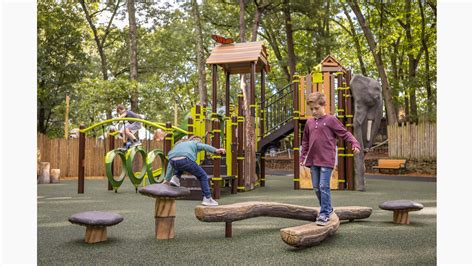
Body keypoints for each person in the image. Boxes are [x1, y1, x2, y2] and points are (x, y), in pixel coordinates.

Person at [300, 92, 361, 226]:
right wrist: (303, 156)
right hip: (313, 160)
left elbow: (345, 133)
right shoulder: (309, 122)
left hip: (327, 159)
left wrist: (355, 143)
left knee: (323, 186)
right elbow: (305, 141)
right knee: (316, 187)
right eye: (311, 109)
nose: (314, 112)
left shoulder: (331, 120)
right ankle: (328, 208)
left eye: (316, 108)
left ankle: (325, 213)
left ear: (323, 106)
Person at [162, 135, 225, 206]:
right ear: (197, 140)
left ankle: (175, 178)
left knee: (180, 166)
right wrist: (216, 150)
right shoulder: (195, 143)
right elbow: (205, 147)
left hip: (172, 159)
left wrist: (167, 179)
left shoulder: (180, 144)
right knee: (203, 176)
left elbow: (170, 164)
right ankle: (207, 198)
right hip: (186, 159)